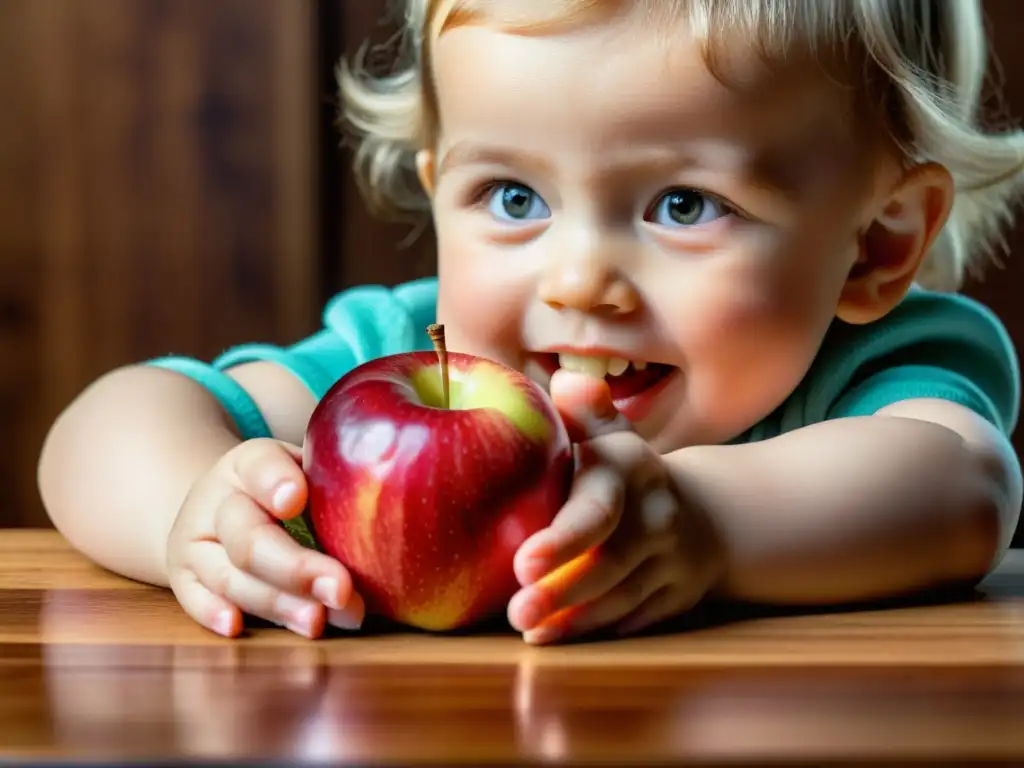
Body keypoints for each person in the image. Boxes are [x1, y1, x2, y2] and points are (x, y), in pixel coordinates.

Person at [38, 0, 1023, 645]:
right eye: (512, 197)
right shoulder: (403, 353)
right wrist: (191, 515)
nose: (580, 279)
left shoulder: (867, 373)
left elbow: (961, 489)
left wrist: (706, 525)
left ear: (877, 243)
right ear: (438, 191)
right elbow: (103, 424)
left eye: (683, 205)